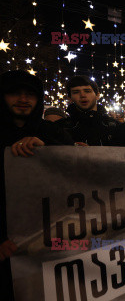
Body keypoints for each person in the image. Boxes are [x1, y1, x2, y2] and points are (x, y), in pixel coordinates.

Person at [0, 70, 73, 300]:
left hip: (50, 243)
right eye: (15, 93)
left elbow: (79, 169)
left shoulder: (51, 132)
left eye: (29, 94)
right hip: (7, 247)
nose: (23, 99)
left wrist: (48, 149)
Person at [58, 76, 119, 145]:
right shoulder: (59, 128)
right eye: (76, 92)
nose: (82, 95)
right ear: (70, 98)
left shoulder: (115, 126)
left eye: (87, 91)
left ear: (97, 95)